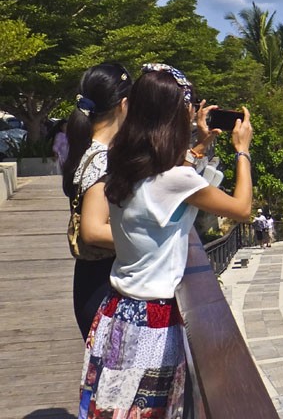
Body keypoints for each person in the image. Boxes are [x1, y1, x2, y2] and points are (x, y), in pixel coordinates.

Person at [78, 64, 253, 419]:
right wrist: (242, 151)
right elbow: (242, 208)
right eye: (187, 108)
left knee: (111, 408)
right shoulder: (174, 179)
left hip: (116, 311)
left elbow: (167, 176)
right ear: (173, 114)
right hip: (152, 320)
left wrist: (201, 144)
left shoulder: (121, 161)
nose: (191, 113)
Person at [62, 64, 132, 341]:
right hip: (102, 283)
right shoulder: (103, 159)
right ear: (123, 105)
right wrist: (150, 240)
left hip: (90, 280)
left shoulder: (86, 148)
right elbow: (93, 230)